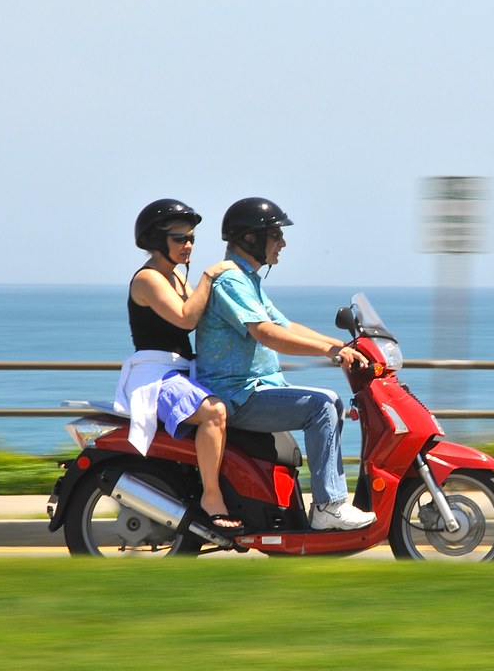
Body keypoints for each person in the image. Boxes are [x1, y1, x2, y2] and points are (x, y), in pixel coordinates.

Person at [195, 197, 377, 531]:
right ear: (251, 238)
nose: (283, 242)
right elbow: (266, 334)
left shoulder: (248, 280)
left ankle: (327, 504)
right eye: (275, 234)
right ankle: (329, 506)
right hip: (239, 394)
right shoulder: (232, 281)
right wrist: (330, 353)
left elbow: (286, 326)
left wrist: (341, 345)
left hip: (256, 389)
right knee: (323, 406)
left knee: (326, 404)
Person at [113, 198, 242, 535]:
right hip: (156, 374)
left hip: (182, 370)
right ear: (157, 240)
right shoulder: (149, 279)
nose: (188, 245)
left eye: (191, 239)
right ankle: (211, 498)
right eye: (179, 238)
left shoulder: (176, 279)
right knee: (214, 412)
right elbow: (185, 319)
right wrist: (211, 274)